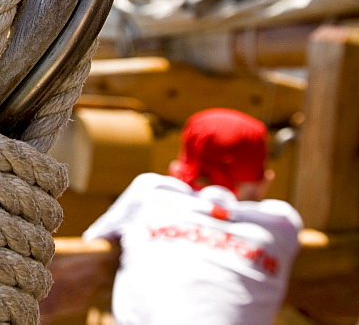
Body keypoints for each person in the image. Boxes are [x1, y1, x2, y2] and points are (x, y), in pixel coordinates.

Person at [44, 107, 303, 324]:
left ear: (179, 168)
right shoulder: (283, 223)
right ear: (264, 180)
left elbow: (93, 240)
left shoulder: (152, 192)